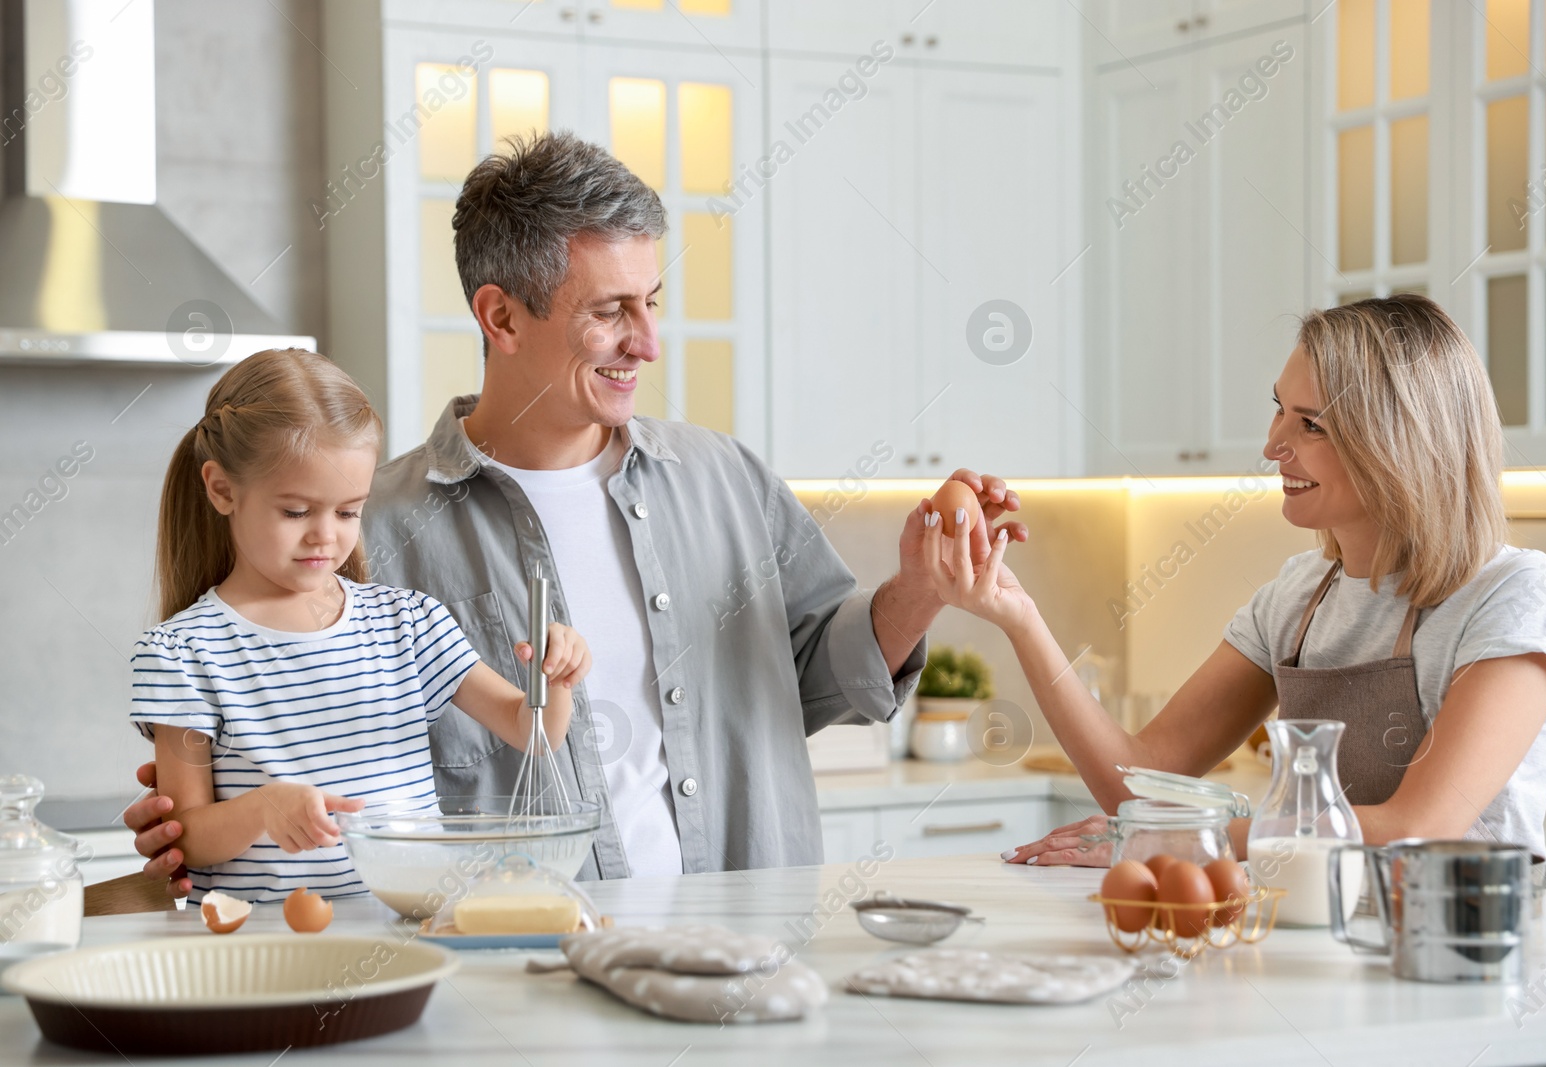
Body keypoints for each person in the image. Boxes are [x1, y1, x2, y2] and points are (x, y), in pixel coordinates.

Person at [125, 132, 1024, 892]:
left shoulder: (725, 479)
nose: (649, 341)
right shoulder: (375, 530)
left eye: (654, 303)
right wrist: (205, 815)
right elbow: (295, 743)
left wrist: (919, 586)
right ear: (501, 317)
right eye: (611, 311)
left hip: (748, 952)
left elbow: (823, 681)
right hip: (519, 980)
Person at [924, 295, 1546, 865]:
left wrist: (1171, 842)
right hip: (1318, 942)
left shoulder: (1517, 598)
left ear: (1397, 443)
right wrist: (1019, 615)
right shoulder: (1298, 599)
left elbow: (1418, 827)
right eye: (1279, 409)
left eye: (1310, 425)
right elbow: (1141, 786)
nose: (1273, 443)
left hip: (1457, 961)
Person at [128, 349, 589, 902]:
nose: (326, 536)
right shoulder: (181, 652)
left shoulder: (408, 622)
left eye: (348, 512)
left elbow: (534, 733)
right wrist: (262, 807)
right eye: (296, 512)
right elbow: (185, 840)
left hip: (405, 933)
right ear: (222, 490)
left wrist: (555, 679)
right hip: (259, 950)